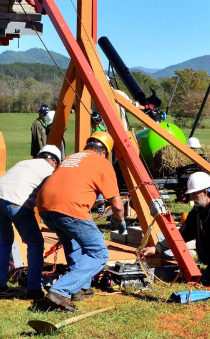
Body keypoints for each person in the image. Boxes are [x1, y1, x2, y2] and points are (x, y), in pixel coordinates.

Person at [36, 132, 127, 312]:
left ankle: (79, 288)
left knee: (74, 244)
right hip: (70, 208)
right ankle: (61, 290)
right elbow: (116, 203)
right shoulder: (102, 163)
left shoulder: (71, 157)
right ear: (104, 152)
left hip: (45, 207)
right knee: (99, 253)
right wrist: (120, 220)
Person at [0, 145, 62, 299]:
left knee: (5, 240)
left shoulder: (24, 162)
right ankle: (34, 289)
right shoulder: (50, 171)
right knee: (35, 243)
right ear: (54, 161)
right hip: (16, 201)